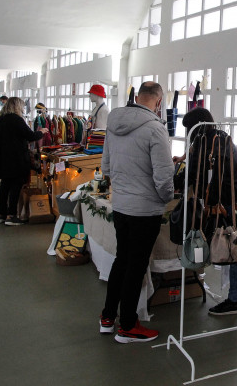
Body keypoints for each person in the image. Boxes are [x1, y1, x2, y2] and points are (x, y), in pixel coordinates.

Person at [100, 81, 174, 343]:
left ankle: (108, 317)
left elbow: (105, 165)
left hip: (121, 204)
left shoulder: (114, 122)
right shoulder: (156, 129)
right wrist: (166, 198)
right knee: (136, 265)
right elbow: (164, 175)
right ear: (158, 100)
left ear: (138, 96)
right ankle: (128, 325)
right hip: (145, 208)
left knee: (122, 260)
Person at [180, 107, 237, 316]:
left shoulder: (210, 146)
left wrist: (174, 179)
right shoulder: (220, 139)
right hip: (230, 202)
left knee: (231, 249)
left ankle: (233, 300)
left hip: (223, 205)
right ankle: (235, 293)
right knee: (231, 248)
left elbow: (194, 175)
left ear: (197, 127)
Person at [0, 97, 47, 226]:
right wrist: (41, 132)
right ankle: (11, 216)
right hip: (16, 158)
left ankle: (1, 214)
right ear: (17, 107)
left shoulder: (0, 120)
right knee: (16, 186)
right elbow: (30, 136)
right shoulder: (17, 120)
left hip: (2, 158)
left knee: (4, 186)